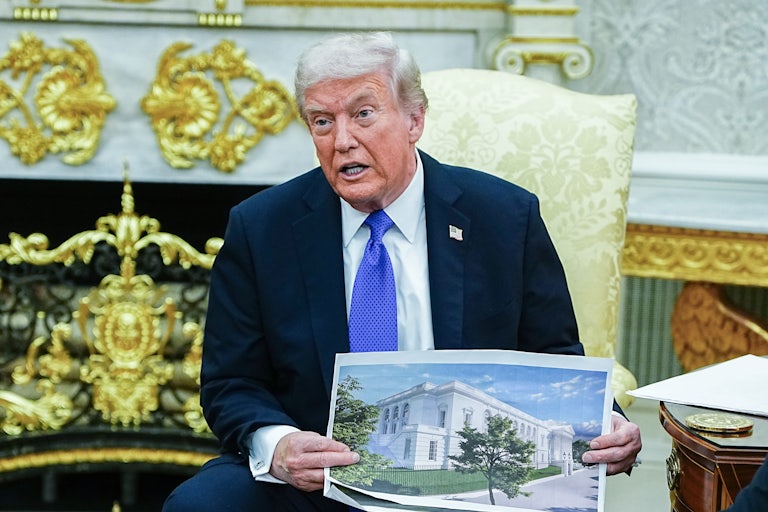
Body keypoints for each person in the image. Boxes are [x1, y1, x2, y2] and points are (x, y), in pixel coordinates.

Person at [162, 31, 642, 512]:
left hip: (471, 485)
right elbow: (231, 382)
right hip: (314, 482)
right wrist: (281, 444)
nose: (342, 140)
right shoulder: (261, 228)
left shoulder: (504, 219)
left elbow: (555, 356)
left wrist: (607, 425)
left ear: (414, 120)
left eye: (363, 114)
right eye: (322, 121)